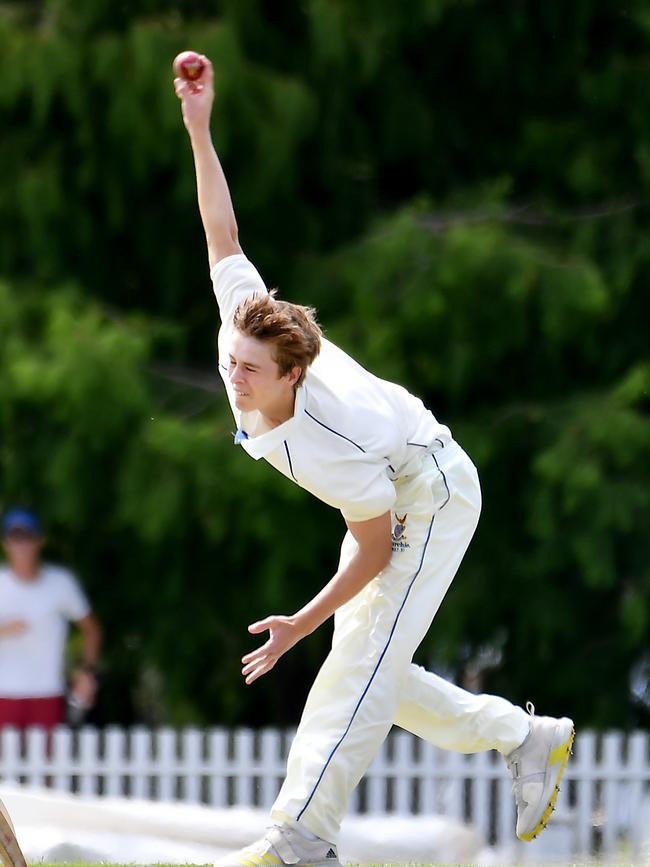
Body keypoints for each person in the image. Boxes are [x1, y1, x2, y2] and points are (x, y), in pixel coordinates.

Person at [174, 57, 575, 867]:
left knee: (350, 668)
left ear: (294, 375)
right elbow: (223, 232)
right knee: (373, 671)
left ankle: (300, 839)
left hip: (428, 495)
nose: (233, 376)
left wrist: (299, 623)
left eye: (251, 370)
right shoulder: (242, 333)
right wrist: (199, 125)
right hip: (394, 498)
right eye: (233, 361)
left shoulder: (337, 434)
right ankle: (525, 735)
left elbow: (378, 543)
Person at [0, 508, 102, 731]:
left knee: (46, 763)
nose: (22, 546)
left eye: (27, 537)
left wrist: (87, 672)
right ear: (6, 543)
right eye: (15, 538)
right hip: (4, 692)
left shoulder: (61, 583)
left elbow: (91, 629)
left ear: (40, 541)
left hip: (48, 691)